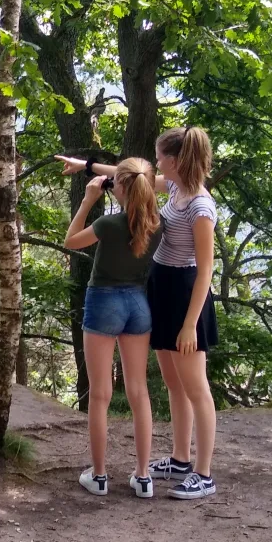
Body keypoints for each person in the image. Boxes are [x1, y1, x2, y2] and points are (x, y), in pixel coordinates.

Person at [57, 126, 219, 500]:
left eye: (161, 157)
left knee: (196, 388)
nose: (157, 163)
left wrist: (190, 324)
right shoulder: (175, 187)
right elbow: (130, 175)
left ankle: (204, 472)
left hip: (186, 296)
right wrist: (85, 165)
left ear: (175, 161)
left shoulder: (200, 206)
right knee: (172, 384)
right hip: (156, 291)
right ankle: (180, 458)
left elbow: (206, 270)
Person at [63, 158, 163, 499]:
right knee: (139, 392)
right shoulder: (156, 224)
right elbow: (136, 181)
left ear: (118, 187)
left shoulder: (107, 224)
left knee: (101, 394)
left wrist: (88, 199)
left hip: (104, 302)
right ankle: (143, 476)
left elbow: (71, 240)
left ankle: (101, 475)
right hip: (139, 305)